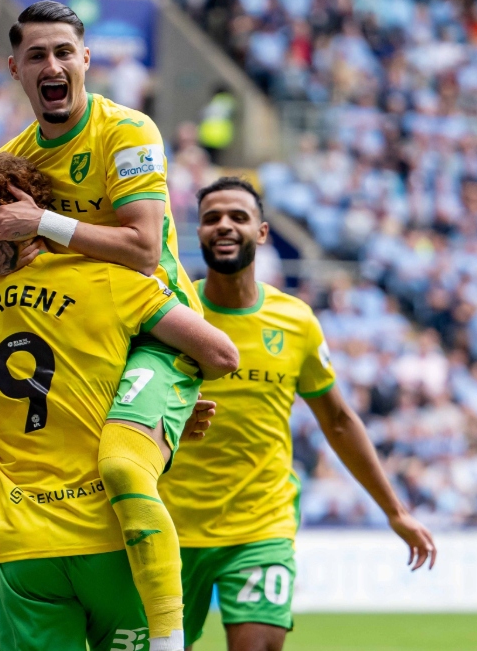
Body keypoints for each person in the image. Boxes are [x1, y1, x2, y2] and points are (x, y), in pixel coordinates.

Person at [0, 153, 239, 651]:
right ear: (37, 209)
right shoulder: (107, 280)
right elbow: (220, 353)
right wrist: (165, 407)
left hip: (22, 544)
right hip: (109, 533)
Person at [0, 1, 206, 650]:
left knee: (121, 468)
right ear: (15, 69)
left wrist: (41, 224)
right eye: (36, 56)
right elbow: (3, 269)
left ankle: (168, 639)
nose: (51, 65)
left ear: (85, 60)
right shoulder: (12, 159)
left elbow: (142, 247)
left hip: (159, 334)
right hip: (84, 345)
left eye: (63, 53)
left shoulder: (127, 132)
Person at [159, 178, 437, 651]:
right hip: (167, 527)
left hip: (260, 525)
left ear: (262, 233)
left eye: (238, 217)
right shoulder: (169, 314)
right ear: (199, 233)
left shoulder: (297, 322)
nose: (224, 226)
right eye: (211, 218)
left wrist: (396, 511)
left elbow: (339, 420)